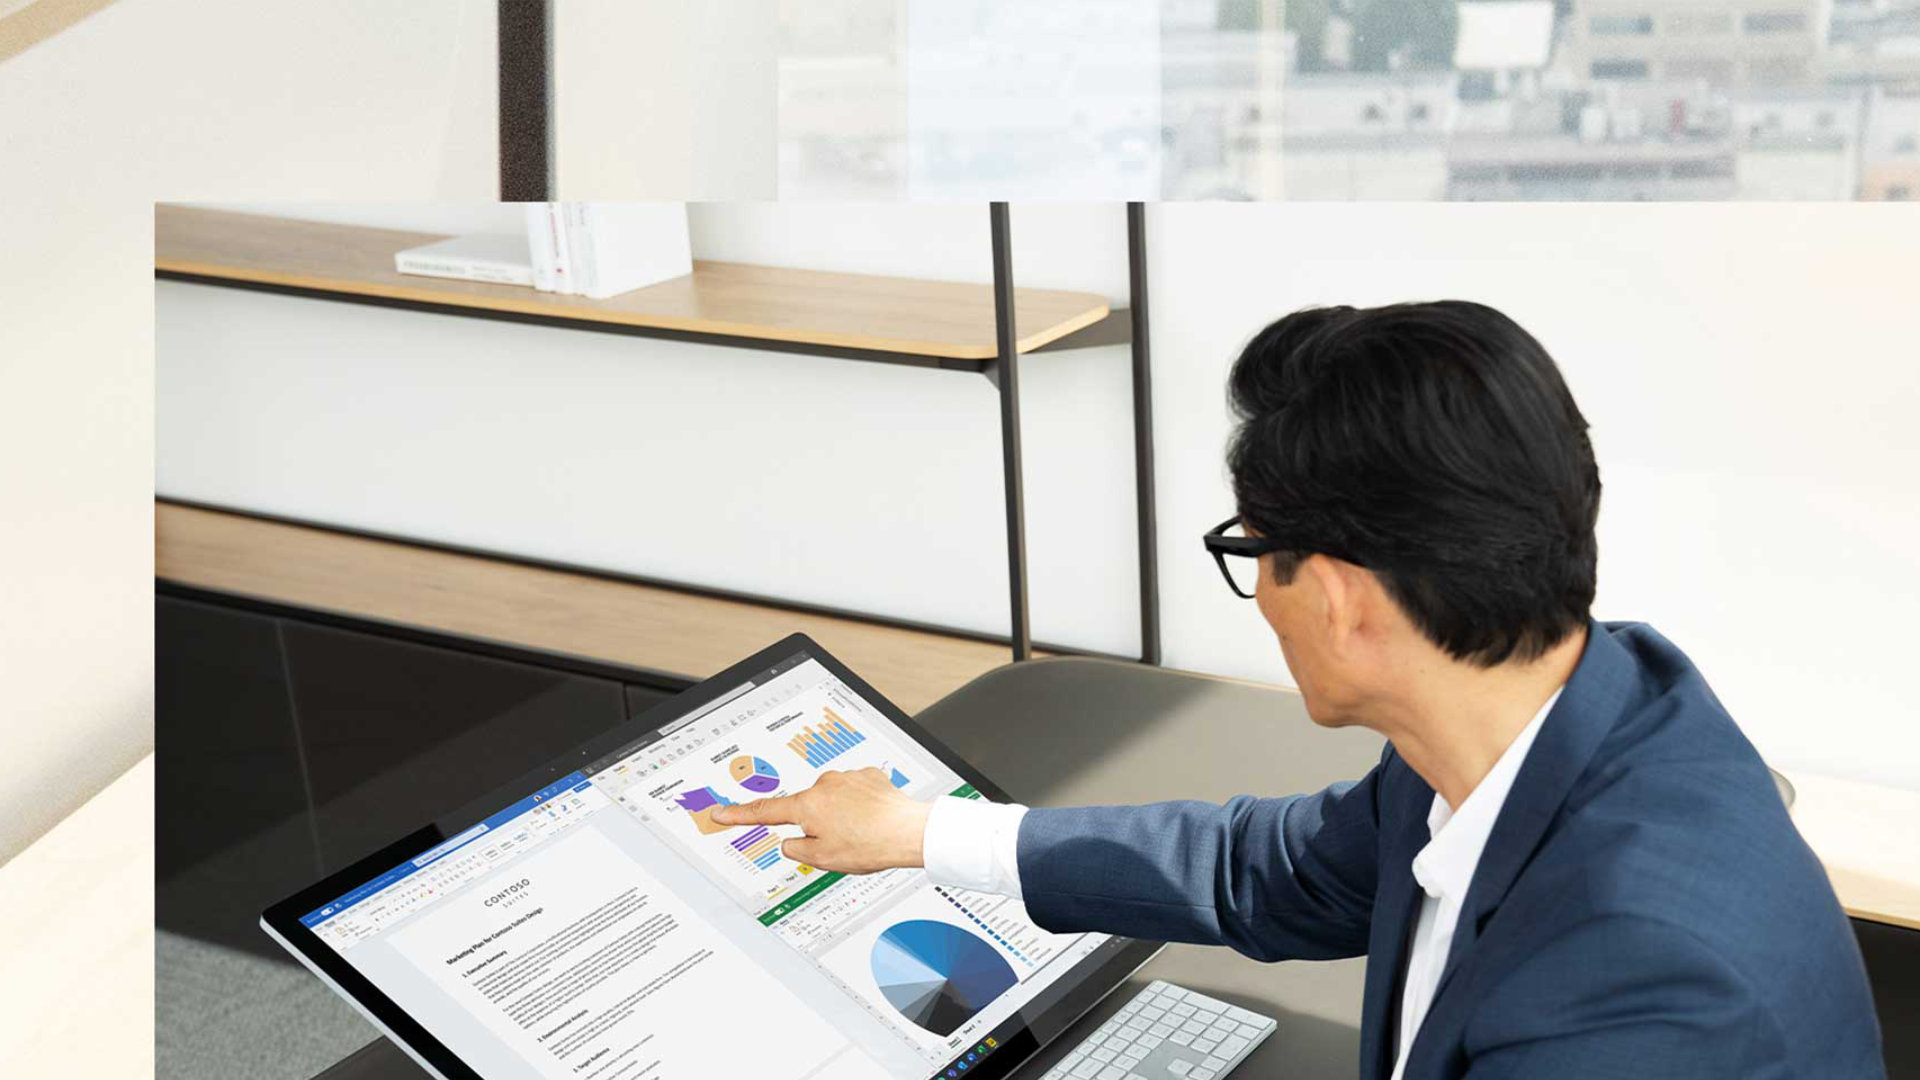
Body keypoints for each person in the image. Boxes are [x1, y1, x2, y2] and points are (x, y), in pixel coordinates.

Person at [710, 302, 1886, 1079]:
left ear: (1331, 597)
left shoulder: (1634, 987)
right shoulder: (1575, 710)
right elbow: (1264, 873)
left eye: (1246, 549)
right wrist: (920, 832)